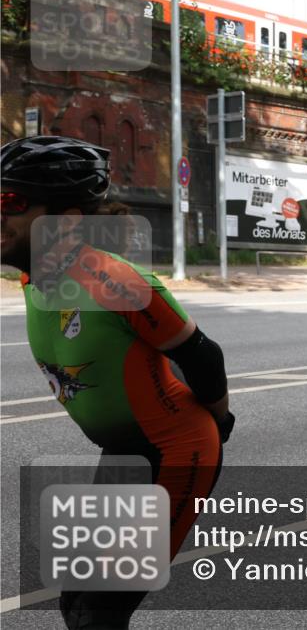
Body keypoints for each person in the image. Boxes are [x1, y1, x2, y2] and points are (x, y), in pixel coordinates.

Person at [1, 136, 233, 628]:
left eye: (11, 203)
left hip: (175, 456)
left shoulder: (116, 283)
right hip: (126, 453)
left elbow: (202, 356)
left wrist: (218, 425)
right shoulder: (31, 277)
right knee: (75, 599)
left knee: (98, 612)